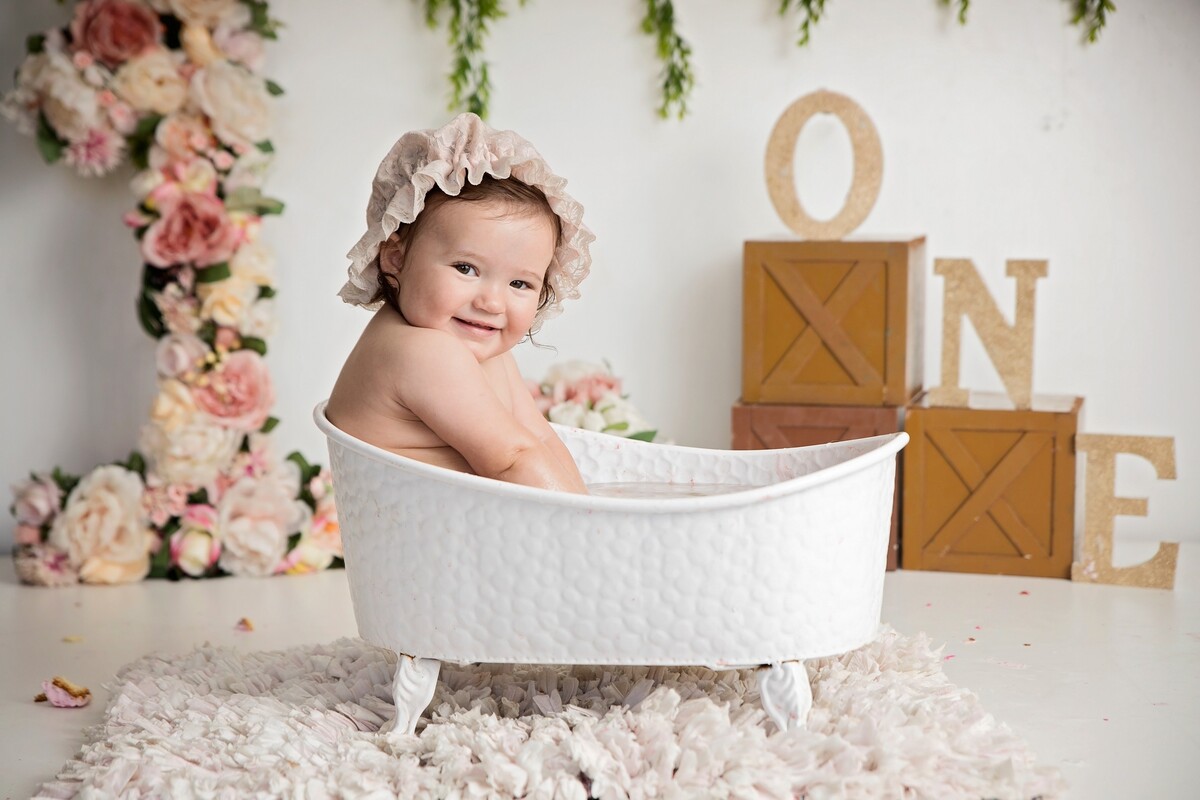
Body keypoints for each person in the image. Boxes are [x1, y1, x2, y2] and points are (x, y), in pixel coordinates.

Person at [326, 114, 593, 494]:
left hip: (467, 523)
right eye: (466, 268)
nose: (492, 302)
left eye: (519, 283)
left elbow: (540, 440)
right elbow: (514, 459)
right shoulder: (420, 351)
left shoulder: (482, 349)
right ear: (395, 258)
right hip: (417, 527)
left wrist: (587, 503)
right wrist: (588, 522)